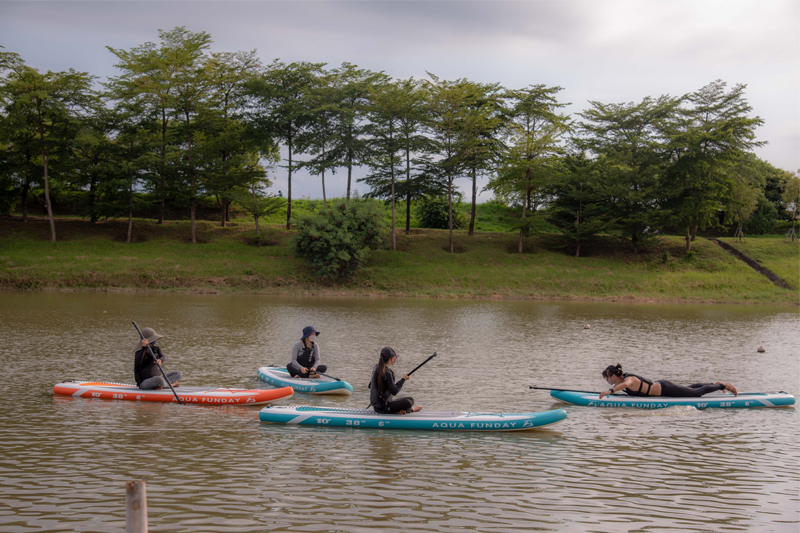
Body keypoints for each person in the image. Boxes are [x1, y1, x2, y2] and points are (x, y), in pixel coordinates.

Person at [599, 363, 738, 399]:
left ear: (613, 375)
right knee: (689, 388)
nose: (607, 380)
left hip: (665, 389)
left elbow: (627, 384)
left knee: (694, 394)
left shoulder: (628, 379)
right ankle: (713, 384)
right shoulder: (622, 381)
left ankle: (722, 385)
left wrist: (609, 391)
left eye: (607, 377)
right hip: (662, 386)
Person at [369, 347, 422, 415]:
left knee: (411, 399)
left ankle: (400, 410)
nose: (395, 360)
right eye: (395, 358)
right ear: (392, 359)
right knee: (408, 402)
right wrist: (403, 380)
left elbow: (370, 385)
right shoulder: (387, 372)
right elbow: (394, 392)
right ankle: (410, 410)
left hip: (378, 405)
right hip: (383, 407)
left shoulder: (377, 367)